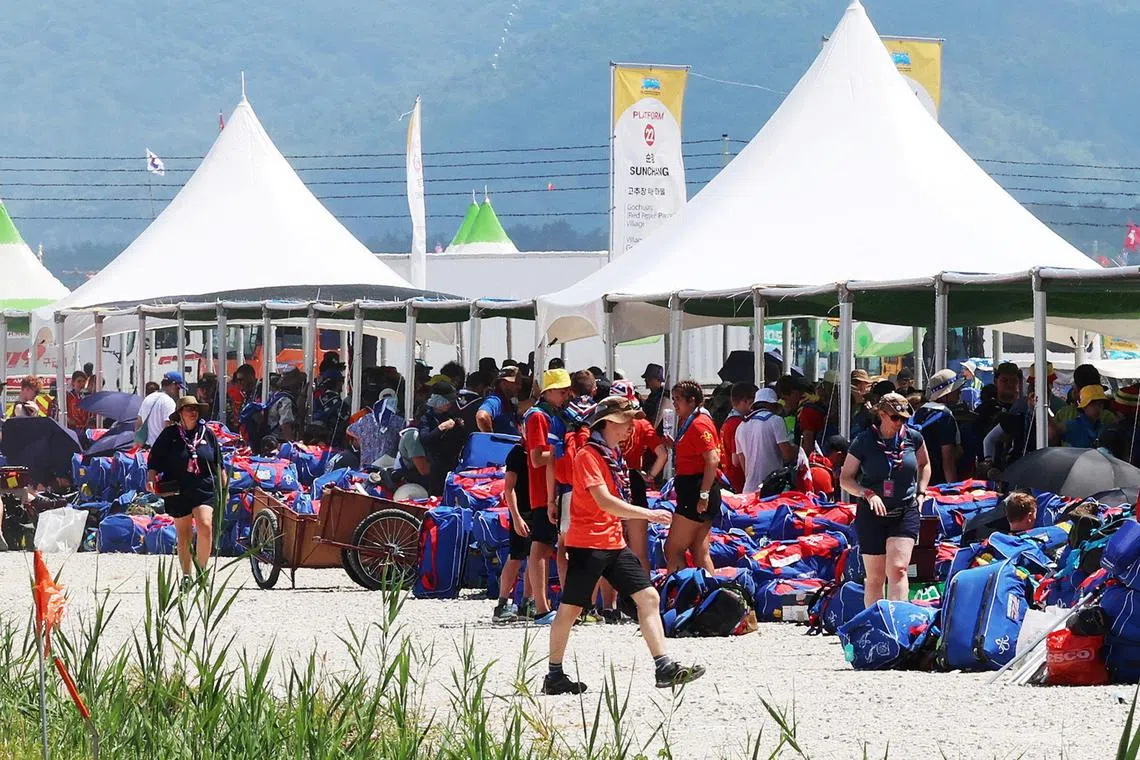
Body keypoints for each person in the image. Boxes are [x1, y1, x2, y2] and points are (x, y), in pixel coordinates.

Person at [542, 396, 704, 695]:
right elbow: (605, 501)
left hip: (613, 542)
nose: (631, 426)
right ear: (609, 423)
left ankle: (664, 666)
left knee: (649, 598)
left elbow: (611, 503)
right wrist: (649, 514)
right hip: (588, 545)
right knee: (570, 611)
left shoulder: (612, 455)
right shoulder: (588, 456)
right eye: (626, 421)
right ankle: (554, 674)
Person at [839, 393, 931, 608]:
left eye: (904, 418)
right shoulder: (864, 441)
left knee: (898, 569)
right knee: (875, 576)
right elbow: (845, 478)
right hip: (872, 513)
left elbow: (924, 464)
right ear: (881, 414)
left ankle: (899, 622)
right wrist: (867, 493)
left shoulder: (913, 438)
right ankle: (875, 623)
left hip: (905, 509)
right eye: (895, 417)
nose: (900, 422)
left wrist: (921, 492)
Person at [146, 396, 219, 589]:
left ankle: (202, 573)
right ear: (180, 413)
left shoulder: (207, 433)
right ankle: (187, 575)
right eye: (188, 409)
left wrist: (224, 489)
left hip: (203, 486)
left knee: (205, 526)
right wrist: (151, 478)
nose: (193, 412)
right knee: (184, 533)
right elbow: (154, 460)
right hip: (178, 488)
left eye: (195, 408)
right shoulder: (170, 434)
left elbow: (218, 463)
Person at [523, 369, 574, 625]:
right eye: (562, 391)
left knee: (546, 549)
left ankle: (539, 605)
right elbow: (536, 457)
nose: (566, 395)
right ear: (548, 391)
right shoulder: (538, 417)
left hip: (551, 490)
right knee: (540, 549)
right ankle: (542, 609)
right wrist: (565, 452)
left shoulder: (550, 415)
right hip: (542, 491)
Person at [610, 379, 667, 573]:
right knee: (639, 551)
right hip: (634, 482)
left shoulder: (605, 423)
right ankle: (642, 596)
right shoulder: (642, 424)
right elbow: (663, 454)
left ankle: (611, 601)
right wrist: (650, 476)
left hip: (610, 482)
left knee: (609, 549)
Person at [664, 381, 720, 573]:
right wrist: (674, 446)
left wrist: (703, 495)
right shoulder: (689, 422)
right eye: (673, 399)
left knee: (672, 549)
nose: (674, 404)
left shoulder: (698, 424)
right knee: (699, 551)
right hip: (697, 492)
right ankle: (709, 597)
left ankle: (678, 596)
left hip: (696, 494)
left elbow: (712, 459)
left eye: (678, 399)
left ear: (692, 401)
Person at [493, 440, 535, 624]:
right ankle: (502, 604)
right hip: (522, 511)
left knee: (535, 556)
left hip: (539, 510)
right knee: (516, 556)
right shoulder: (517, 453)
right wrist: (516, 517)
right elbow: (508, 489)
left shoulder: (541, 450)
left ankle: (527, 602)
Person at [908, 369, 963, 487]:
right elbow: (947, 459)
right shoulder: (945, 416)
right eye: (956, 389)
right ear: (946, 393)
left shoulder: (918, 412)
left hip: (916, 480)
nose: (960, 391)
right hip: (937, 483)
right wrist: (953, 490)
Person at [735, 388, 796, 495]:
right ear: (772, 405)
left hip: (749, 490)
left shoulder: (741, 427)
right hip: (773, 488)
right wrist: (796, 450)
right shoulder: (776, 420)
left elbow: (742, 461)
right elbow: (787, 455)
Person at [418, 383, 466, 496]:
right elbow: (426, 439)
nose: (450, 403)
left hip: (454, 463)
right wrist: (442, 427)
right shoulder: (427, 418)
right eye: (447, 400)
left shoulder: (452, 415)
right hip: (437, 464)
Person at [719, 382, 757, 494]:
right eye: (752, 402)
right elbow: (737, 459)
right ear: (745, 401)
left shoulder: (728, 421)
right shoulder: (737, 424)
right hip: (738, 479)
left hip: (729, 474)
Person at [136, 372, 182, 446]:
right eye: (178, 388)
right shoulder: (168, 401)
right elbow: (169, 427)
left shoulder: (148, 398)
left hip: (147, 448)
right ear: (173, 385)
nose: (178, 391)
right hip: (161, 448)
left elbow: (138, 423)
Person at [475, 366, 521, 434]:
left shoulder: (508, 403)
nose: (519, 387)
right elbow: (482, 417)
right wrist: (490, 440)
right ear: (504, 383)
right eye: (516, 383)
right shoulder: (495, 400)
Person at [269, 370, 304, 441]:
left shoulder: (275, 396)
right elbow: (285, 425)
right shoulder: (286, 400)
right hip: (279, 441)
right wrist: (292, 446)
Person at [227, 364, 257, 431]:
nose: (239, 383)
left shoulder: (260, 391)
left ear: (251, 377)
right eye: (238, 380)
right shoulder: (247, 394)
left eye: (241, 380)